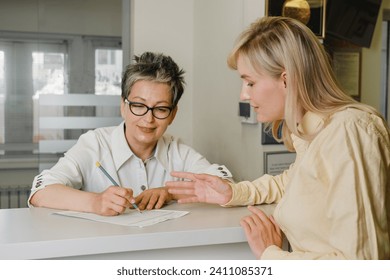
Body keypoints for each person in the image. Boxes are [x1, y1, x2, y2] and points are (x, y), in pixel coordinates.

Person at [167, 17, 390, 259]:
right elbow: (295, 183)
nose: (243, 94)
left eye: (250, 82)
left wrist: (271, 255)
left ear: (286, 79)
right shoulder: (314, 133)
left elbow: (361, 266)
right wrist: (233, 193)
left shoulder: (347, 132)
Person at [29, 51, 232, 216]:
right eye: (138, 105)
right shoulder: (94, 144)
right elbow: (40, 193)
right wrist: (95, 202)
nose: (148, 119)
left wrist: (170, 192)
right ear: (123, 106)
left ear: (173, 115)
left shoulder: (177, 151)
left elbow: (227, 187)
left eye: (160, 109)